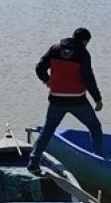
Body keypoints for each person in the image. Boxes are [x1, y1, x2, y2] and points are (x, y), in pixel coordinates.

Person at [27, 27, 104, 174]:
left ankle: (33, 162)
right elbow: (88, 78)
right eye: (87, 42)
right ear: (84, 41)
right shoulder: (83, 53)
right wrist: (97, 99)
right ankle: (98, 161)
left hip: (56, 100)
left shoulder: (55, 49)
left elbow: (39, 67)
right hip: (77, 101)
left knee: (48, 130)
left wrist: (46, 80)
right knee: (95, 127)